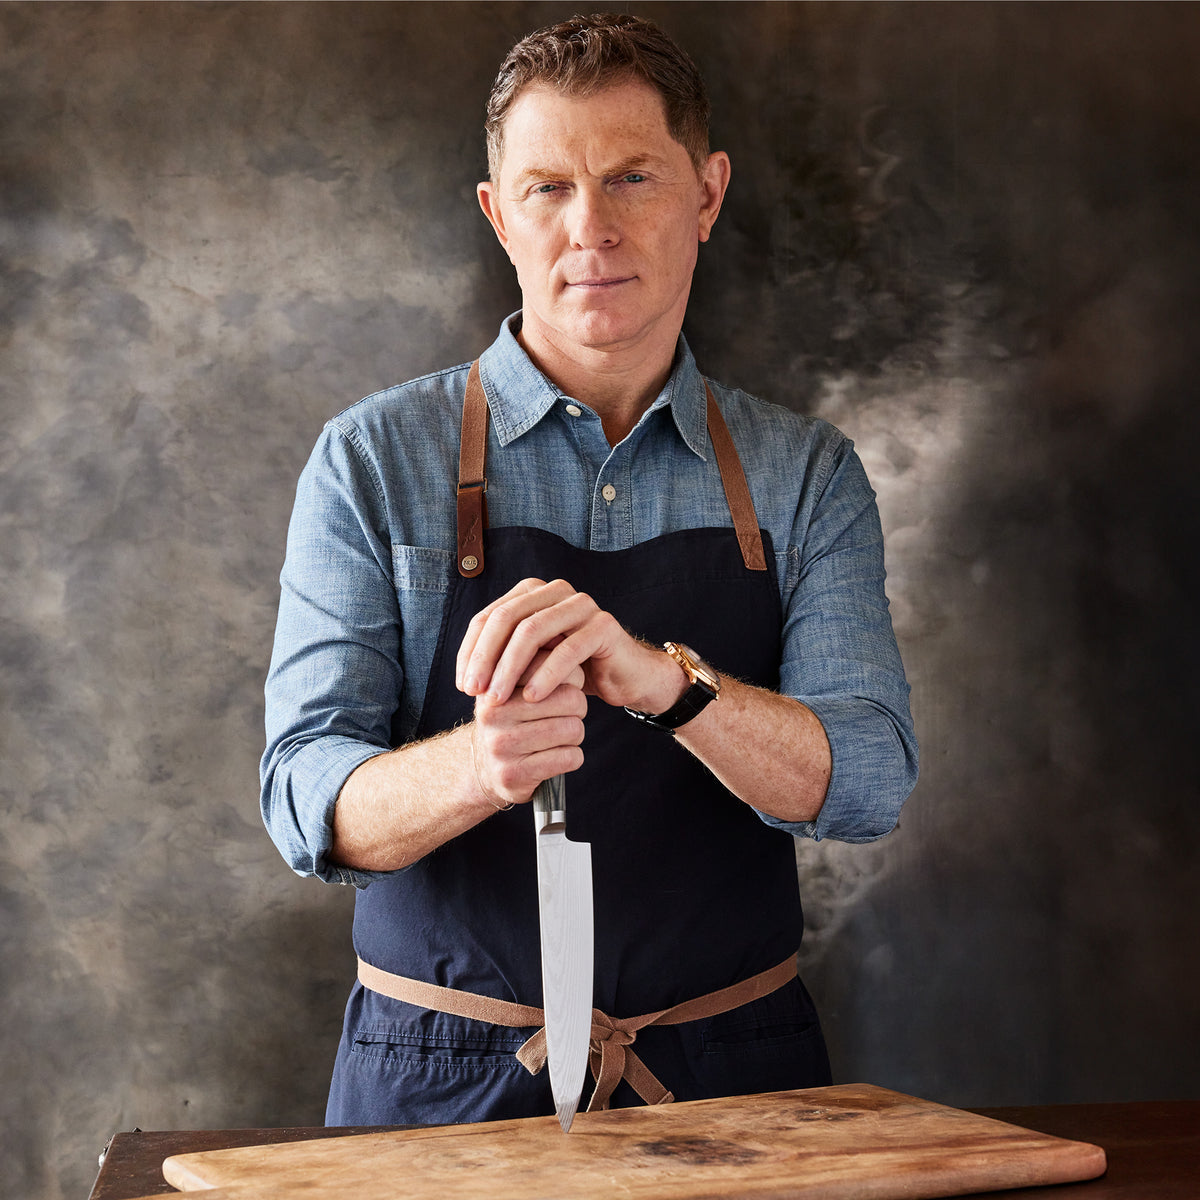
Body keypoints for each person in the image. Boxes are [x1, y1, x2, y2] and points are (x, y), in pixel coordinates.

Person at [261, 12, 918, 1127]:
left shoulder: (805, 475)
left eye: (631, 179)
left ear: (707, 195)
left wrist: (671, 687)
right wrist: (481, 765)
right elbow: (303, 797)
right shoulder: (371, 460)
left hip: (736, 1087)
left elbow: (867, 778)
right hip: (434, 1086)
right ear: (497, 215)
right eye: (548, 189)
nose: (590, 229)